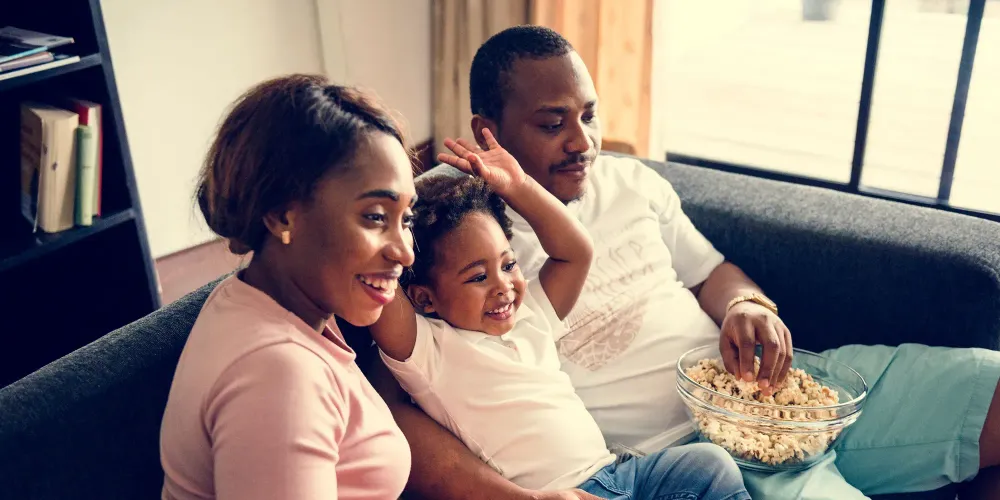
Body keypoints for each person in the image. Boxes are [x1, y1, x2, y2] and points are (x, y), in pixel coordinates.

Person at [370, 26, 1000, 500]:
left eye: (588, 116)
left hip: (776, 387)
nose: (582, 141)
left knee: (987, 385)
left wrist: (746, 305)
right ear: (490, 133)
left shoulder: (630, 182)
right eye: (552, 123)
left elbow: (711, 272)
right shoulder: (456, 233)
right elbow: (396, 378)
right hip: (678, 453)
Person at [367, 129, 751, 500]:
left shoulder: (531, 314)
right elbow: (382, 287)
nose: (503, 285)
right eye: (479, 277)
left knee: (709, 464)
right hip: (557, 495)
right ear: (424, 298)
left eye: (509, 264)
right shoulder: (428, 350)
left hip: (619, 473)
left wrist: (519, 186)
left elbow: (576, 250)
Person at [160, 74, 416, 500]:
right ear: (282, 216)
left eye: (405, 219)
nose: (405, 253)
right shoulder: (277, 374)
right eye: (375, 216)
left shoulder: (259, 298)